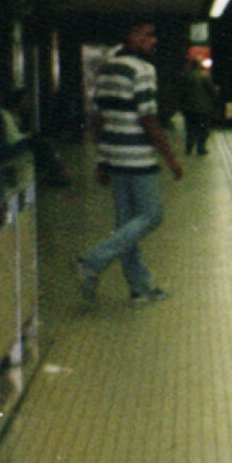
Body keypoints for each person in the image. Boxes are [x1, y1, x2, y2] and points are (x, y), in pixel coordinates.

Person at [75, 22, 184, 304]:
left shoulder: (106, 69)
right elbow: (148, 117)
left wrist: (101, 159)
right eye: (148, 35)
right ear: (132, 37)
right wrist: (171, 158)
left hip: (114, 155)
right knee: (151, 215)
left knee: (126, 224)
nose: (154, 40)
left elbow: (97, 117)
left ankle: (139, 288)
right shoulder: (143, 70)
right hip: (137, 156)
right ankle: (92, 260)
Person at [181, 56, 220, 155]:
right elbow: (212, 91)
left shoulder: (186, 76)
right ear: (200, 65)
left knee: (190, 129)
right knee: (202, 129)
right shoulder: (205, 76)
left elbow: (181, 92)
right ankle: (201, 148)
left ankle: (189, 148)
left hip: (189, 108)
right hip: (203, 109)